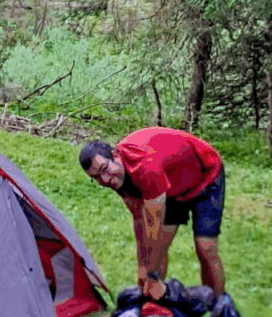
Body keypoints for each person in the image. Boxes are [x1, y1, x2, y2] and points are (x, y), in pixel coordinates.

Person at [79, 127, 226, 299]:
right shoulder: (115, 176)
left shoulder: (145, 168)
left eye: (104, 169)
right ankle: (155, 303)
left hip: (205, 175)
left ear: (115, 155)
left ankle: (219, 308)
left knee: (205, 247)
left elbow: (153, 226)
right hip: (172, 186)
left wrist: (152, 275)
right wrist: (142, 269)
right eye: (95, 177)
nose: (103, 180)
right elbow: (140, 222)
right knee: (160, 246)